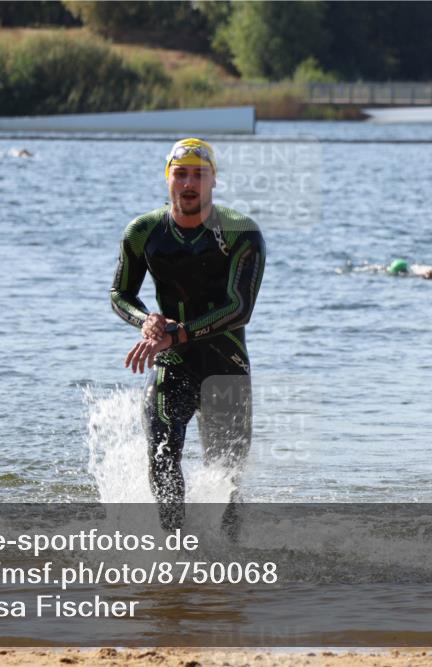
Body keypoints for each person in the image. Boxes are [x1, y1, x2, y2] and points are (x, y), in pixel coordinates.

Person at [110, 138, 266, 534]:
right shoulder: (143, 232)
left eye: (199, 174)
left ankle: (231, 557)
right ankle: (176, 552)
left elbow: (239, 308)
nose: (189, 183)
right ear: (168, 178)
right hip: (173, 364)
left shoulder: (241, 233)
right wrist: (146, 320)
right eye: (181, 174)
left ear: (214, 180)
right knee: (161, 456)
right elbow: (120, 294)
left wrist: (177, 334)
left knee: (227, 479)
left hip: (225, 366)